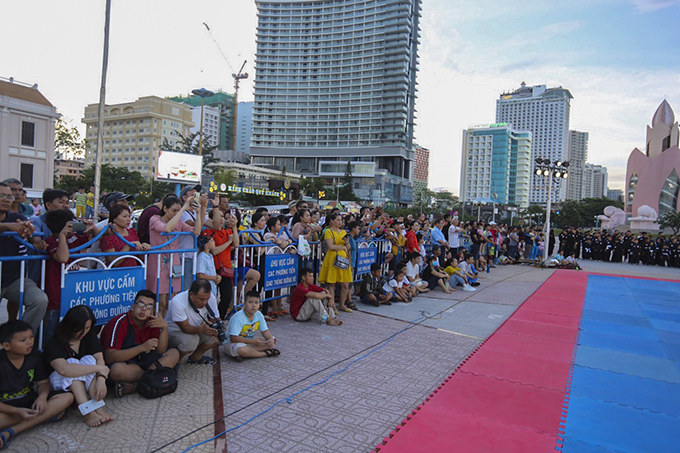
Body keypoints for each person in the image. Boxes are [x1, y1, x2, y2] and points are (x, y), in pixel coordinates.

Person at [0, 320, 74, 449]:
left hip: (29, 401)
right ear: (6, 346)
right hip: (6, 408)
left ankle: (10, 431)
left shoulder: (34, 355)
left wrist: (42, 397)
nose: (29, 342)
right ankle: (44, 416)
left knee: (67, 397)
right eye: (23, 340)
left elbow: (43, 383)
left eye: (31, 337)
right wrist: (17, 411)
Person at [100, 290, 180, 397]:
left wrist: (164, 328)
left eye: (149, 306)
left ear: (152, 311)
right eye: (141, 304)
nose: (144, 309)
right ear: (133, 307)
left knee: (174, 353)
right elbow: (109, 357)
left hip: (146, 362)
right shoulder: (120, 323)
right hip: (127, 364)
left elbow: (160, 351)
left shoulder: (152, 322)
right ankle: (156, 378)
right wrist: (142, 348)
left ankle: (135, 386)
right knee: (116, 370)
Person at [43, 305, 113, 427]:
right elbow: (64, 370)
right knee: (71, 363)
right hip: (60, 380)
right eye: (79, 329)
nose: (83, 332)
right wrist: (99, 369)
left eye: (87, 328)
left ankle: (98, 407)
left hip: (84, 379)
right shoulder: (54, 342)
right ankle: (87, 411)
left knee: (89, 359)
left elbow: (99, 358)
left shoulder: (89, 336)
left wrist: (101, 379)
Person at [43, 209, 99, 341]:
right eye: (71, 223)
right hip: (56, 295)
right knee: (51, 330)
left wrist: (92, 227)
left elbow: (96, 238)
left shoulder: (74, 238)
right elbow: (62, 257)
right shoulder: (51, 241)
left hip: (72, 294)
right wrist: (62, 236)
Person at [147, 194, 207, 318]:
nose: (176, 213)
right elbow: (167, 229)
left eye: (177, 211)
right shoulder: (155, 219)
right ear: (165, 209)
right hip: (158, 262)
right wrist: (183, 209)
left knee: (171, 300)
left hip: (174, 263)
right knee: (160, 302)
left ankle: (167, 327)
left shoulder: (179, 222)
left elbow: (196, 231)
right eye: (174, 210)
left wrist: (198, 211)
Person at [0, 183, 49, 334]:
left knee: (40, 300)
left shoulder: (17, 217)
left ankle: (20, 339)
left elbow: (29, 230)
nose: (7, 199)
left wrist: (35, 239)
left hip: (14, 278)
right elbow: (10, 227)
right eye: (2, 196)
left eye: (10, 197)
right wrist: (8, 227)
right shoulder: (11, 222)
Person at [165, 279, 220, 365]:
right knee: (191, 341)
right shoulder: (177, 301)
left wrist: (217, 327)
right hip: (174, 332)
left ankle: (195, 358)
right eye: (201, 299)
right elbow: (185, 327)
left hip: (195, 329)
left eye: (207, 299)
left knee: (215, 336)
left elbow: (216, 318)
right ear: (191, 294)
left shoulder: (210, 297)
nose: (205, 302)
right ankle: (174, 362)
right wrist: (202, 329)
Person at [224, 290, 280, 361]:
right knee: (242, 350)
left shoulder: (259, 314)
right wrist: (253, 342)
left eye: (256, 303)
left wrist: (270, 339)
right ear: (245, 304)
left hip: (249, 342)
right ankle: (266, 353)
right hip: (232, 343)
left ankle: (250, 353)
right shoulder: (238, 317)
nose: (253, 305)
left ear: (260, 304)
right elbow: (233, 338)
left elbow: (265, 331)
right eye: (250, 302)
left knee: (273, 340)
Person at [318, 212, 354, 313]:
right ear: (332, 221)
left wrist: (346, 243)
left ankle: (342, 304)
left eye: (341, 220)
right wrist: (343, 247)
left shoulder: (343, 232)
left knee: (345, 284)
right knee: (332, 284)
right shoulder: (328, 232)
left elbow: (349, 248)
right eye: (337, 220)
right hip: (332, 259)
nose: (340, 222)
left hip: (344, 260)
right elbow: (331, 246)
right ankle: (332, 305)